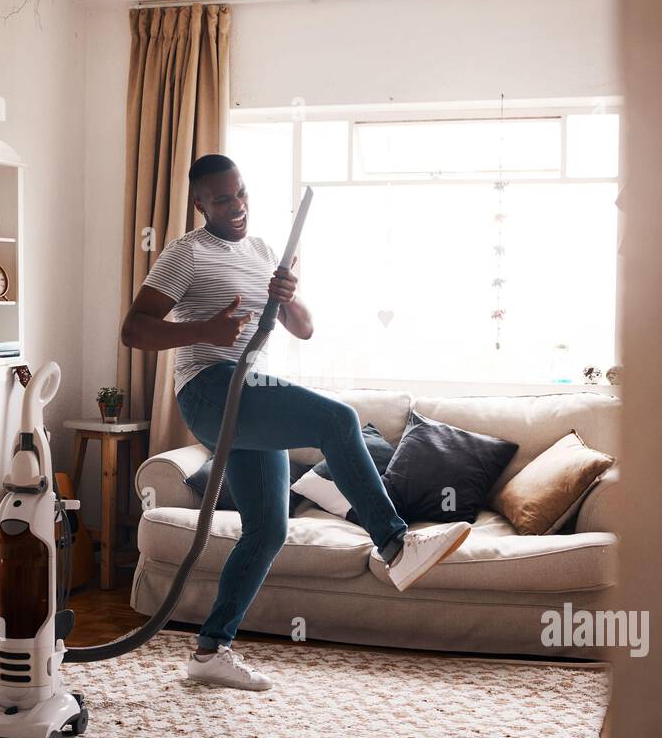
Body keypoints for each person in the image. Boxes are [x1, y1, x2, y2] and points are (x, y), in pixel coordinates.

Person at [120, 154, 470, 690]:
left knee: (268, 528)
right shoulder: (184, 254)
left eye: (240, 194)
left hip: (251, 390)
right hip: (211, 389)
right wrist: (204, 332)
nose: (236, 206)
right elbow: (135, 330)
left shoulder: (262, 251)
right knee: (338, 419)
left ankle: (210, 652)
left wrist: (288, 298)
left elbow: (302, 329)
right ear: (199, 205)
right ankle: (396, 544)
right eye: (221, 199)